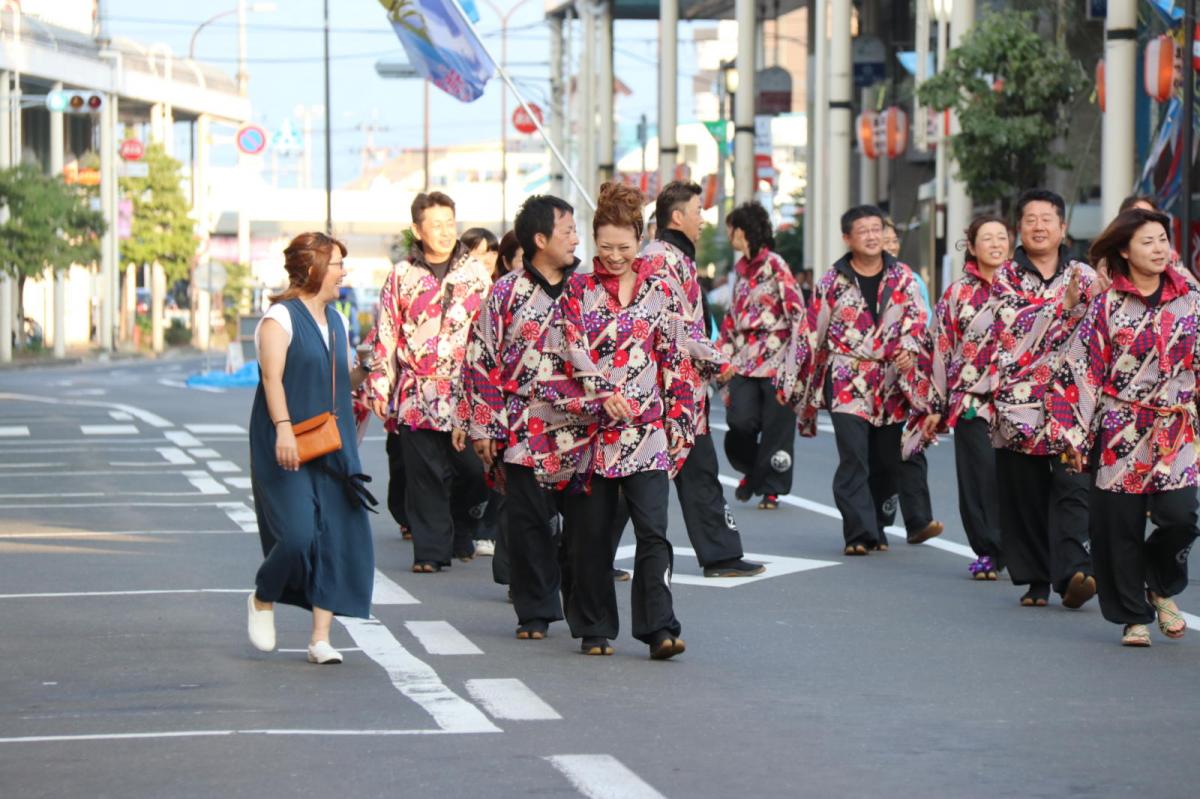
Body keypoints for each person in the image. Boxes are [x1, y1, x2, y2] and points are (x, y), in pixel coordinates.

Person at [531, 181, 694, 660]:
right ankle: (595, 627)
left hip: (647, 432)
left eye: (625, 247)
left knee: (654, 532)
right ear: (594, 241)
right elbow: (559, 361)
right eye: (605, 247)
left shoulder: (660, 291)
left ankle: (660, 628)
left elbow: (674, 358)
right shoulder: (576, 292)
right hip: (590, 435)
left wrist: (681, 421)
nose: (615, 256)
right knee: (591, 538)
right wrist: (600, 395)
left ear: (641, 240)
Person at [1051, 208, 1199, 646]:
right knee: (1120, 525)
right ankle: (1134, 616)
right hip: (1121, 425)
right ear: (1124, 251)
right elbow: (1081, 369)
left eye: (1162, 240)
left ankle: (1159, 581)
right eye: (1147, 242)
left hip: (1176, 425)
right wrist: (1073, 435)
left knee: (1181, 516)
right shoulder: (1108, 304)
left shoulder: (1190, 297)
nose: (1159, 249)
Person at [611, 180, 764, 577]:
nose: (702, 219)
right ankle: (582, 554)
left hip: (682, 391)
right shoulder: (662, 260)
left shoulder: (677, 257)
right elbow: (675, 325)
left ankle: (721, 555)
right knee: (637, 481)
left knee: (690, 472)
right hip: (664, 391)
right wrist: (718, 361)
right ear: (677, 216)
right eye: (698, 211)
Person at [247, 232, 378, 665]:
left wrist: (364, 368)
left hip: (330, 445)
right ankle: (263, 596)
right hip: (286, 444)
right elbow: (272, 380)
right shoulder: (279, 319)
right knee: (299, 534)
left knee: (333, 535)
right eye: (338, 264)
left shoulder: (337, 321)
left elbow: (339, 384)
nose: (345, 272)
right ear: (313, 268)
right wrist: (283, 429)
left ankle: (320, 637)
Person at [788, 205, 942, 555]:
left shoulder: (903, 276)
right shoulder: (831, 281)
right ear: (847, 238)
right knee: (854, 456)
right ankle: (858, 533)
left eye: (877, 229)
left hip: (892, 379)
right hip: (847, 376)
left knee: (887, 460)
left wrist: (908, 348)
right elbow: (812, 331)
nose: (872, 236)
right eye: (864, 230)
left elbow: (919, 321)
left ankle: (877, 523)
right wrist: (795, 382)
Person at [462, 194, 579, 640]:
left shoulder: (587, 287)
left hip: (582, 429)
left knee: (585, 524)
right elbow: (480, 359)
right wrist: (484, 426)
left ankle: (583, 606)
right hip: (523, 428)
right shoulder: (506, 291)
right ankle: (535, 611)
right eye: (566, 231)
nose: (574, 240)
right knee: (528, 523)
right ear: (540, 238)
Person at [364, 192, 492, 573]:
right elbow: (385, 331)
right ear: (418, 230)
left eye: (449, 223)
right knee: (424, 476)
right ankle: (430, 553)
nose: (444, 232)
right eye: (435, 225)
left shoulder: (476, 275)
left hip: (465, 394)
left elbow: (490, 333)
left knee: (471, 470)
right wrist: (379, 384)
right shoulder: (402, 275)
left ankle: (461, 527)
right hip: (417, 393)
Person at [988, 188, 1096, 608]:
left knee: (1074, 486)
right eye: (1030, 219)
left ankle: (1073, 572)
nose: (1038, 226)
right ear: (1020, 227)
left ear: (1063, 227)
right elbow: (1012, 327)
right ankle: (1035, 578)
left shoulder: (1085, 276)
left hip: (1074, 399)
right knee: (1026, 492)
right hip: (1020, 400)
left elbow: (1099, 327)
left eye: (1047, 218)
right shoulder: (1006, 277)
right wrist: (1062, 308)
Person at [924, 215, 1010, 579]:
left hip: (1024, 400)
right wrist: (934, 405)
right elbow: (939, 348)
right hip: (972, 397)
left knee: (1018, 479)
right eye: (986, 238)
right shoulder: (957, 293)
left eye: (1002, 237)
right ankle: (988, 550)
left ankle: (1027, 548)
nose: (995, 244)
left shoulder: (1030, 287)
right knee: (979, 476)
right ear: (972, 248)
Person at [719, 201, 806, 510]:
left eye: (731, 229)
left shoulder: (775, 265)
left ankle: (771, 488)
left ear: (741, 230)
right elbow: (730, 318)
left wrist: (796, 362)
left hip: (777, 359)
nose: (729, 236)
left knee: (776, 428)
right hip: (744, 360)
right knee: (739, 421)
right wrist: (721, 357)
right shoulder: (741, 270)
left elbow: (796, 311)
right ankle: (753, 471)